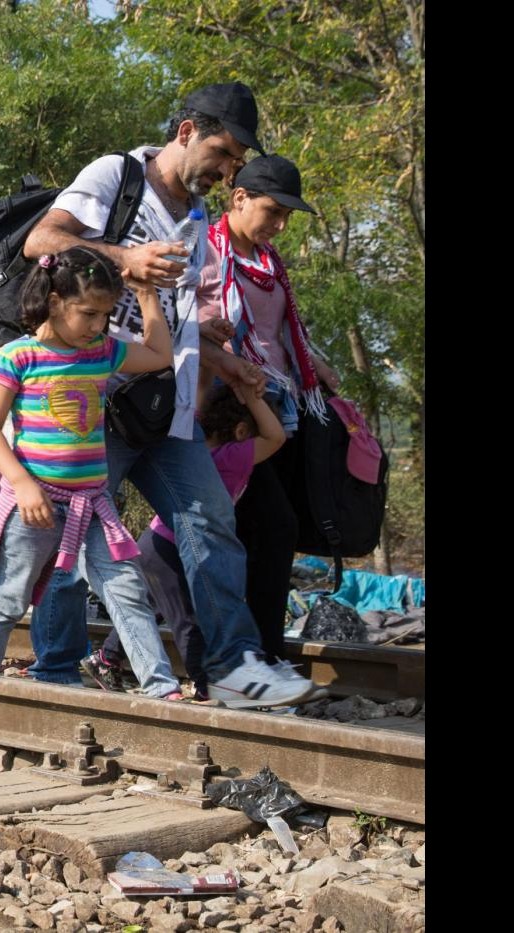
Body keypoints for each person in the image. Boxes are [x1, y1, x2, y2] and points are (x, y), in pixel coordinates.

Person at [21, 82, 319, 708]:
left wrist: (218, 357)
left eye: (237, 161)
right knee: (69, 539)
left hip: (166, 409)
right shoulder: (117, 175)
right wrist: (122, 257)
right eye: (224, 152)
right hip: (94, 403)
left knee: (211, 523)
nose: (228, 169)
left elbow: (167, 318)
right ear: (187, 132)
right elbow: (41, 243)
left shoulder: (198, 217)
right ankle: (53, 671)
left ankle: (235, 669)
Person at [0, 248, 182, 699]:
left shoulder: (101, 352)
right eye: (89, 313)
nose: (99, 325)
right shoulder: (17, 357)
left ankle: (162, 690)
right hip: (35, 506)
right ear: (55, 300)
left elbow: (161, 354)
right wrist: (22, 484)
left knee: (126, 590)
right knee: (7, 601)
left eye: (105, 315)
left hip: (92, 507)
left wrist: (146, 297)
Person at [201, 155, 341, 659]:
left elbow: (281, 333)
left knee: (261, 530)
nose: (280, 226)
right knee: (270, 525)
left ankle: (247, 648)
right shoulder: (206, 252)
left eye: (287, 217)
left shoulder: (269, 264)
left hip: (278, 408)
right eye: (273, 211)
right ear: (239, 198)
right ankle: (255, 650)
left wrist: (317, 365)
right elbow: (184, 328)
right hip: (230, 417)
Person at [84, 381, 286, 699]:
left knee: (155, 607)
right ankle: (206, 685)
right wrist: (252, 396)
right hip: (168, 547)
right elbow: (276, 436)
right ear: (243, 430)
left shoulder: (202, 453)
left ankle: (106, 657)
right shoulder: (233, 455)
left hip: (158, 543)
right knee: (186, 618)